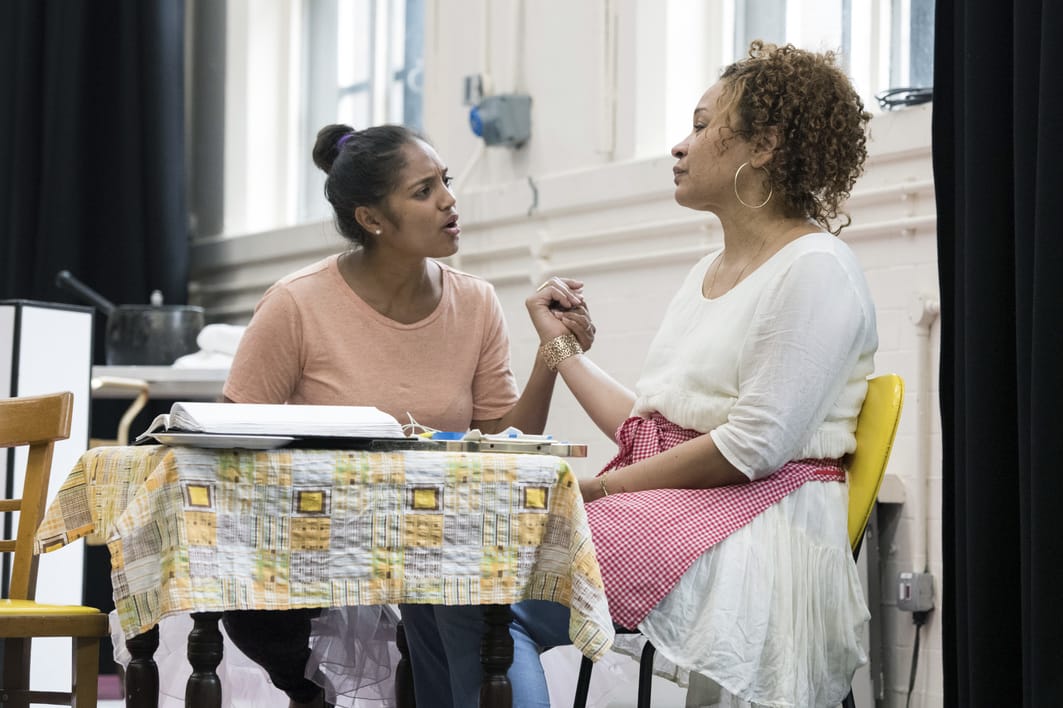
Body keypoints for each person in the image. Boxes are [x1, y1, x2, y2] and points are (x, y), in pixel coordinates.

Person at [433, 40, 878, 708]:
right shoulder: (709, 270)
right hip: (696, 502)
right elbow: (654, 425)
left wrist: (600, 489)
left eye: (701, 127)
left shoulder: (815, 269)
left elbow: (750, 447)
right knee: (451, 564)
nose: (679, 146)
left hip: (759, 520)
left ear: (761, 146)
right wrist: (562, 352)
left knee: (482, 574)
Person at [219, 123, 593, 708]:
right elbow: (229, 436)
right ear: (372, 218)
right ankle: (307, 692)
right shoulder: (296, 303)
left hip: (434, 536)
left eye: (445, 181)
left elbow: (505, 442)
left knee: (463, 590)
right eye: (423, 191)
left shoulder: (475, 301)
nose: (449, 199)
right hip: (316, 535)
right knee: (252, 610)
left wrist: (552, 354)